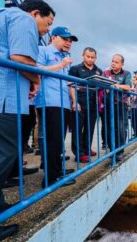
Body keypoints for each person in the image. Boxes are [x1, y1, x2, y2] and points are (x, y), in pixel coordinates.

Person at [0, 0, 55, 240]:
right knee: (2, 155)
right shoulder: (22, 18)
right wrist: (36, 79)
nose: (47, 30)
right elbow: (21, 59)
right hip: (0, 96)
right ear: (35, 14)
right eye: (48, 23)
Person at [35, 26, 78, 187]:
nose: (68, 43)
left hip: (63, 102)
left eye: (70, 41)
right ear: (53, 37)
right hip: (49, 101)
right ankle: (50, 179)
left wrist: (74, 100)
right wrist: (60, 65)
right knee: (52, 140)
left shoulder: (64, 57)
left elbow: (68, 82)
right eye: (65, 39)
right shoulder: (43, 51)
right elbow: (35, 69)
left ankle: (57, 169)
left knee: (59, 140)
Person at [69, 47, 102, 162]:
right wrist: (74, 101)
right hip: (80, 102)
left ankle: (87, 148)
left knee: (90, 128)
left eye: (92, 57)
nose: (90, 59)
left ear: (96, 58)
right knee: (78, 129)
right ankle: (79, 153)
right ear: (83, 55)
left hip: (93, 104)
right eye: (88, 56)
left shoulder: (99, 71)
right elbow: (71, 85)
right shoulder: (75, 69)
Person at [103, 54, 132, 162]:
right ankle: (112, 150)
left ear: (122, 64)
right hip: (108, 104)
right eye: (112, 61)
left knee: (120, 128)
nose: (113, 63)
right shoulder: (106, 73)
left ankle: (120, 151)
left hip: (121, 104)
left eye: (116, 62)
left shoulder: (126, 73)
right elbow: (101, 83)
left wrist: (117, 86)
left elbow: (128, 87)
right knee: (109, 128)